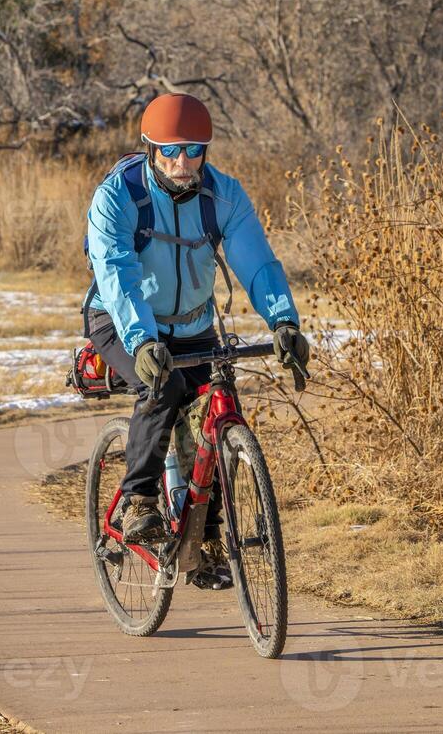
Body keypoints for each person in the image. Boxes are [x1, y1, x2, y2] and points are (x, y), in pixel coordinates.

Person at [82, 93, 310, 583]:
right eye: (170, 150)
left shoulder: (224, 196)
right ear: (149, 148)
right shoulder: (119, 196)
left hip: (191, 323)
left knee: (211, 414)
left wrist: (283, 322)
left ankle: (203, 538)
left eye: (193, 150)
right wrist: (142, 341)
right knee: (161, 388)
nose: (182, 162)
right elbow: (116, 273)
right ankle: (140, 501)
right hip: (120, 321)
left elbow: (257, 261)